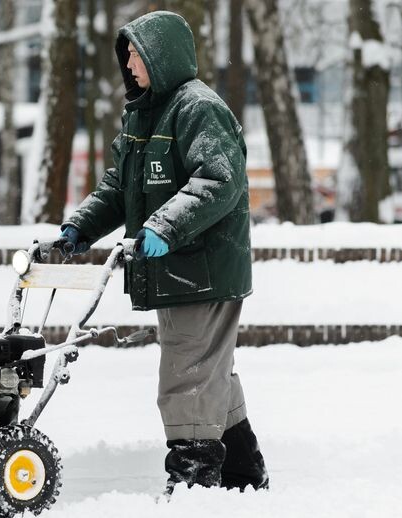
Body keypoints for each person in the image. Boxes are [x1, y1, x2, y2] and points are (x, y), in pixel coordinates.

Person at [56, 11, 269, 495]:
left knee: (187, 373)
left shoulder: (198, 108)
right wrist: (78, 229)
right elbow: (119, 187)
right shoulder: (145, 113)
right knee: (208, 370)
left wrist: (163, 227)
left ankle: (194, 483)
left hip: (204, 268)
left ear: (161, 54)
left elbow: (219, 181)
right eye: (126, 53)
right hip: (179, 269)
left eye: (135, 53)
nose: (129, 63)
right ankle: (241, 477)